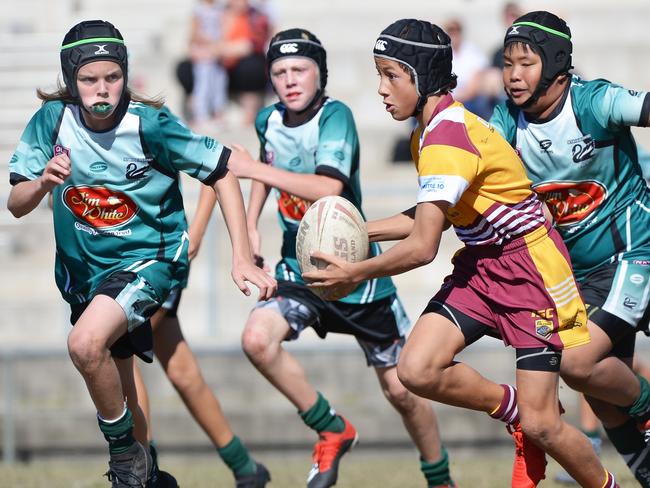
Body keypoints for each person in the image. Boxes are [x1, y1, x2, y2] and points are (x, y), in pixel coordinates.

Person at [304, 18, 620, 487]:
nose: (381, 89)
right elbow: (430, 212)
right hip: (483, 266)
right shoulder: (429, 131)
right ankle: (511, 408)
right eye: (379, 74)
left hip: (530, 270)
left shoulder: (447, 138)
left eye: (392, 75)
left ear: (423, 76)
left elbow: (423, 246)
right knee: (416, 367)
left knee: (544, 425)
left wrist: (356, 270)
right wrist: (358, 230)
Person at [6, 19, 276, 487]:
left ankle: (129, 458)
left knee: (86, 345)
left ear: (126, 75)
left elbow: (222, 170)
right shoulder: (53, 120)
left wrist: (240, 255)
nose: (102, 88)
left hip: (148, 263)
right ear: (72, 80)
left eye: (112, 76)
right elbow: (15, 203)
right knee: (121, 372)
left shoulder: (148, 123)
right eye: (89, 79)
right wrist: (42, 183)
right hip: (83, 275)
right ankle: (148, 475)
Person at [226, 28, 456, 488]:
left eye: (300, 69)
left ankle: (439, 478)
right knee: (256, 339)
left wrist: (251, 167)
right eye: (280, 72)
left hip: (359, 278)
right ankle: (331, 428)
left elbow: (327, 187)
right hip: (302, 271)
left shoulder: (336, 117)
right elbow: (267, 173)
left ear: (320, 74)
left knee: (402, 390)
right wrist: (251, 222)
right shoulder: (268, 119)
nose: (290, 80)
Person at [489, 11, 650, 486]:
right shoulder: (506, 122)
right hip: (577, 276)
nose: (513, 75)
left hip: (633, 253)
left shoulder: (595, 102)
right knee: (602, 392)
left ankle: (646, 407)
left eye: (526, 63)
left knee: (578, 364)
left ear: (558, 65)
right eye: (507, 63)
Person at [132, 184, 270, 488]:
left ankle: (144, 473)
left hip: (154, 257)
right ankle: (245, 468)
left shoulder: (153, 133)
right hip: (131, 254)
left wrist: (196, 232)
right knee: (182, 371)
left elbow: (211, 163)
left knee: (121, 355)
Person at [187, 0, 229, 128]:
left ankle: (218, 113)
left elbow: (224, 29)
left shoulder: (220, 8)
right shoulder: (198, 9)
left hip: (217, 53)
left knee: (219, 82)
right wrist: (210, 45)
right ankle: (201, 114)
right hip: (204, 52)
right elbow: (194, 33)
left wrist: (219, 47)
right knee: (203, 84)